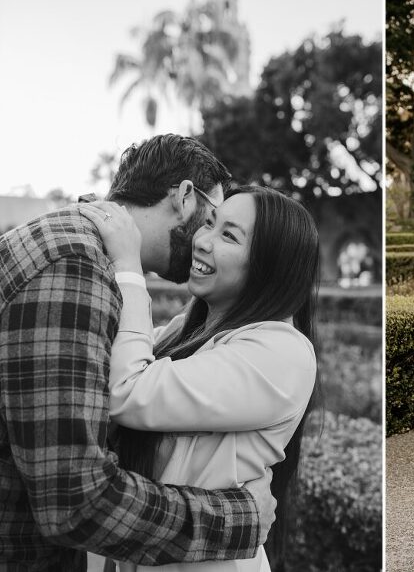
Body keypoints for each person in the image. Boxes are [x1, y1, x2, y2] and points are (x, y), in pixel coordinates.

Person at [0, 134, 275, 571]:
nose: (207, 240)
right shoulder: (75, 265)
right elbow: (74, 499)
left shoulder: (77, 246)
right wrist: (240, 519)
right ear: (186, 197)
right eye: (212, 218)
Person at [79, 185, 319, 571]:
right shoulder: (187, 331)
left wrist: (128, 262)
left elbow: (127, 391)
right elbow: (105, 363)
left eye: (228, 235)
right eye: (209, 223)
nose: (202, 241)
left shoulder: (282, 353)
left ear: (269, 265)